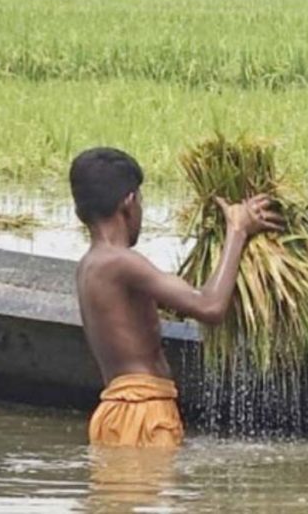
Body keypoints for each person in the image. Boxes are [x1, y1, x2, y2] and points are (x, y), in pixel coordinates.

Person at [70, 147, 281, 448]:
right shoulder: (121, 261)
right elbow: (210, 306)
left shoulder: (90, 265)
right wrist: (237, 231)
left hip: (115, 413)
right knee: (145, 494)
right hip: (143, 413)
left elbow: (182, 296)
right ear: (129, 203)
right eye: (141, 200)